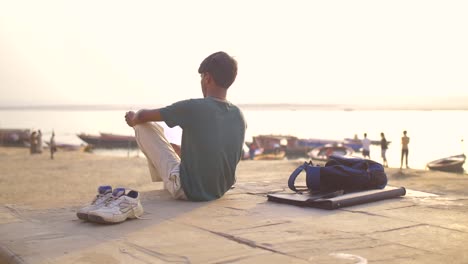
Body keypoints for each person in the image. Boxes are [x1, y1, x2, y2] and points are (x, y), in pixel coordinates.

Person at [125, 51, 246, 202]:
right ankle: (172, 174)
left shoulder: (194, 107)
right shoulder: (238, 115)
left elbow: (143, 116)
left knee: (143, 127)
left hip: (189, 190)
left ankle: (170, 182)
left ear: (207, 78)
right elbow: (218, 155)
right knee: (175, 148)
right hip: (220, 189)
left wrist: (133, 119)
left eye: (201, 78)